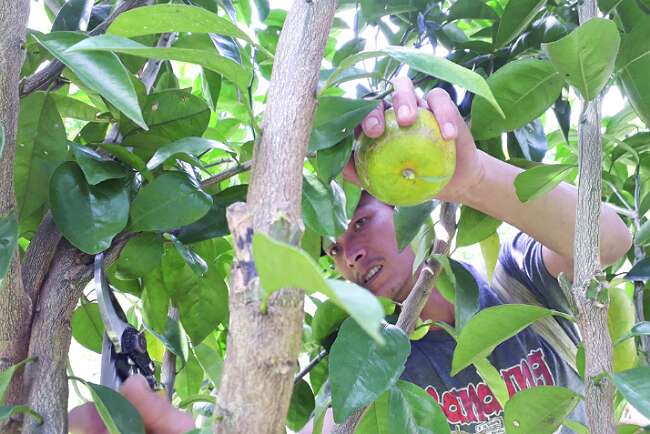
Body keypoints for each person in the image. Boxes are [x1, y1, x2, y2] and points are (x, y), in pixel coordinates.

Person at [69, 77, 633, 434]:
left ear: (408, 205)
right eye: (333, 248)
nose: (350, 254)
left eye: (361, 222)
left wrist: (471, 178)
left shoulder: (518, 289)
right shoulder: (368, 372)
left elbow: (608, 238)